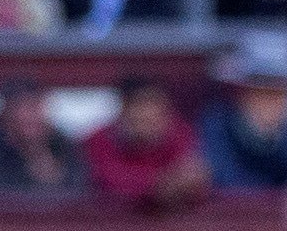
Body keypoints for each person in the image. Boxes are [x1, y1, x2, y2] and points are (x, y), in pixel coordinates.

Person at [200, 28, 287, 191]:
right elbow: (227, 183)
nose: (271, 101)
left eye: (280, 92)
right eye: (261, 91)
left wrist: (281, 137)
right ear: (241, 93)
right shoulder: (217, 125)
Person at [84, 70, 205, 210]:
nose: (149, 115)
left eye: (156, 106)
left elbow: (192, 177)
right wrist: (158, 185)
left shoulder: (180, 134)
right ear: (123, 109)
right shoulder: (99, 140)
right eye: (140, 106)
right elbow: (109, 180)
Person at [0, 76, 85, 195]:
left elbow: (78, 190)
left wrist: (47, 168)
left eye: (38, 107)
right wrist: (31, 176)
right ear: (5, 109)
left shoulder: (58, 141)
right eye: (26, 107)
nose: (33, 116)